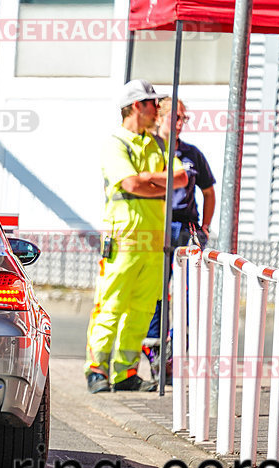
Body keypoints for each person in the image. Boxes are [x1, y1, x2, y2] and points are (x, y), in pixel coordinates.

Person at [85, 79, 188, 393]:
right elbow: (130, 184)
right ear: (136, 106)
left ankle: (126, 372)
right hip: (124, 240)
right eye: (153, 103)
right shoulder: (116, 142)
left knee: (142, 309)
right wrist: (157, 182)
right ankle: (97, 371)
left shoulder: (157, 143)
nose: (159, 109)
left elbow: (182, 177)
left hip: (155, 243)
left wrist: (147, 179)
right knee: (111, 306)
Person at [142, 98, 217, 381]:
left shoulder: (191, 154)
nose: (180, 123)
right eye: (175, 117)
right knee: (155, 291)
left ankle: (177, 351)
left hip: (186, 228)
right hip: (156, 227)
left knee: (188, 293)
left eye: (184, 118)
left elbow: (209, 192)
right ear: (159, 116)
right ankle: (155, 351)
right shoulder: (148, 149)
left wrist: (205, 226)